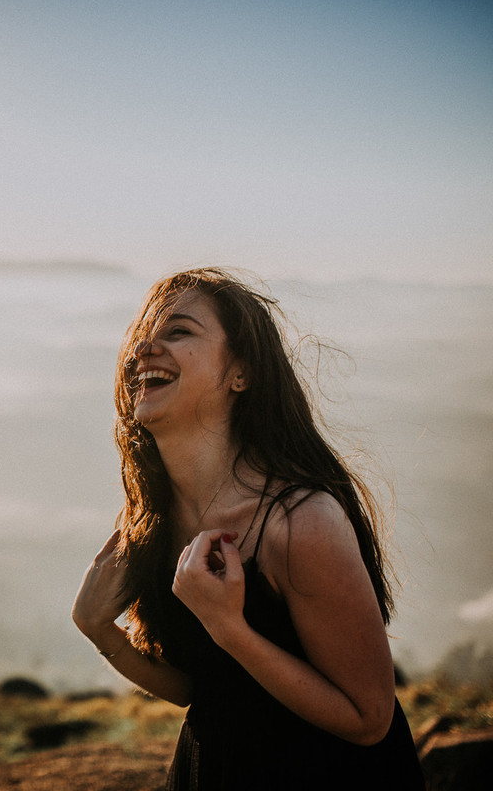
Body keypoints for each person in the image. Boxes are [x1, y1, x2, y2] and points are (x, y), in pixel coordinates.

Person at [72, 268, 424, 789]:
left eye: (179, 331)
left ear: (241, 373)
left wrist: (230, 628)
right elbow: (203, 689)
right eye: (144, 334)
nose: (145, 347)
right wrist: (101, 631)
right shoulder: (155, 518)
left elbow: (369, 720)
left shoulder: (301, 522)